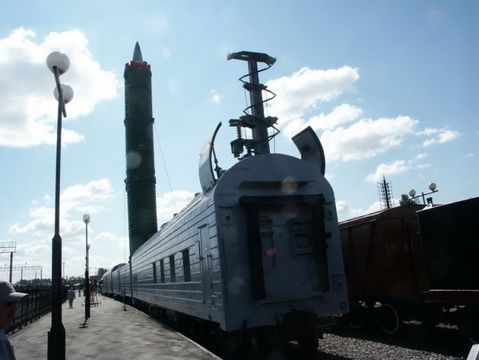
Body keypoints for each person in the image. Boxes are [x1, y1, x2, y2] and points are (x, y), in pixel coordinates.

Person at [0, 281, 27, 360]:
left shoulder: (3, 339)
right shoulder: (2, 342)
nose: (14, 309)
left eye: (15, 303)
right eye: (9, 304)